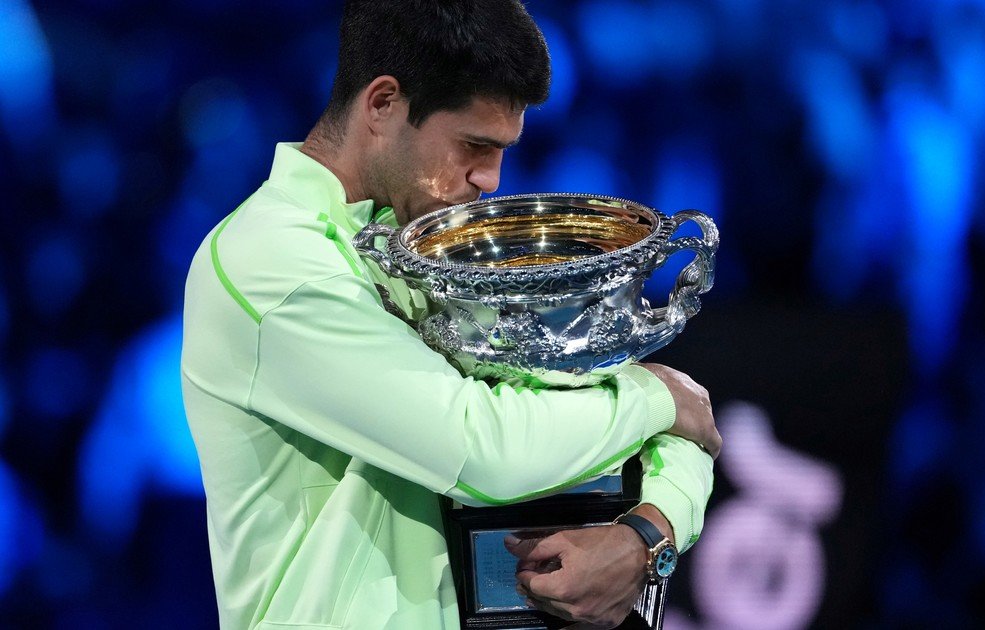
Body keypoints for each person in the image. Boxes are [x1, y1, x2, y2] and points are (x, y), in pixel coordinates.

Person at [180, 1, 719, 628]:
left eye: (503, 150)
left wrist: (650, 533)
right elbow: (483, 450)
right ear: (382, 105)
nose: (491, 179)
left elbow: (669, 429)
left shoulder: (434, 247)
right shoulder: (269, 261)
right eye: (474, 145)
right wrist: (656, 394)